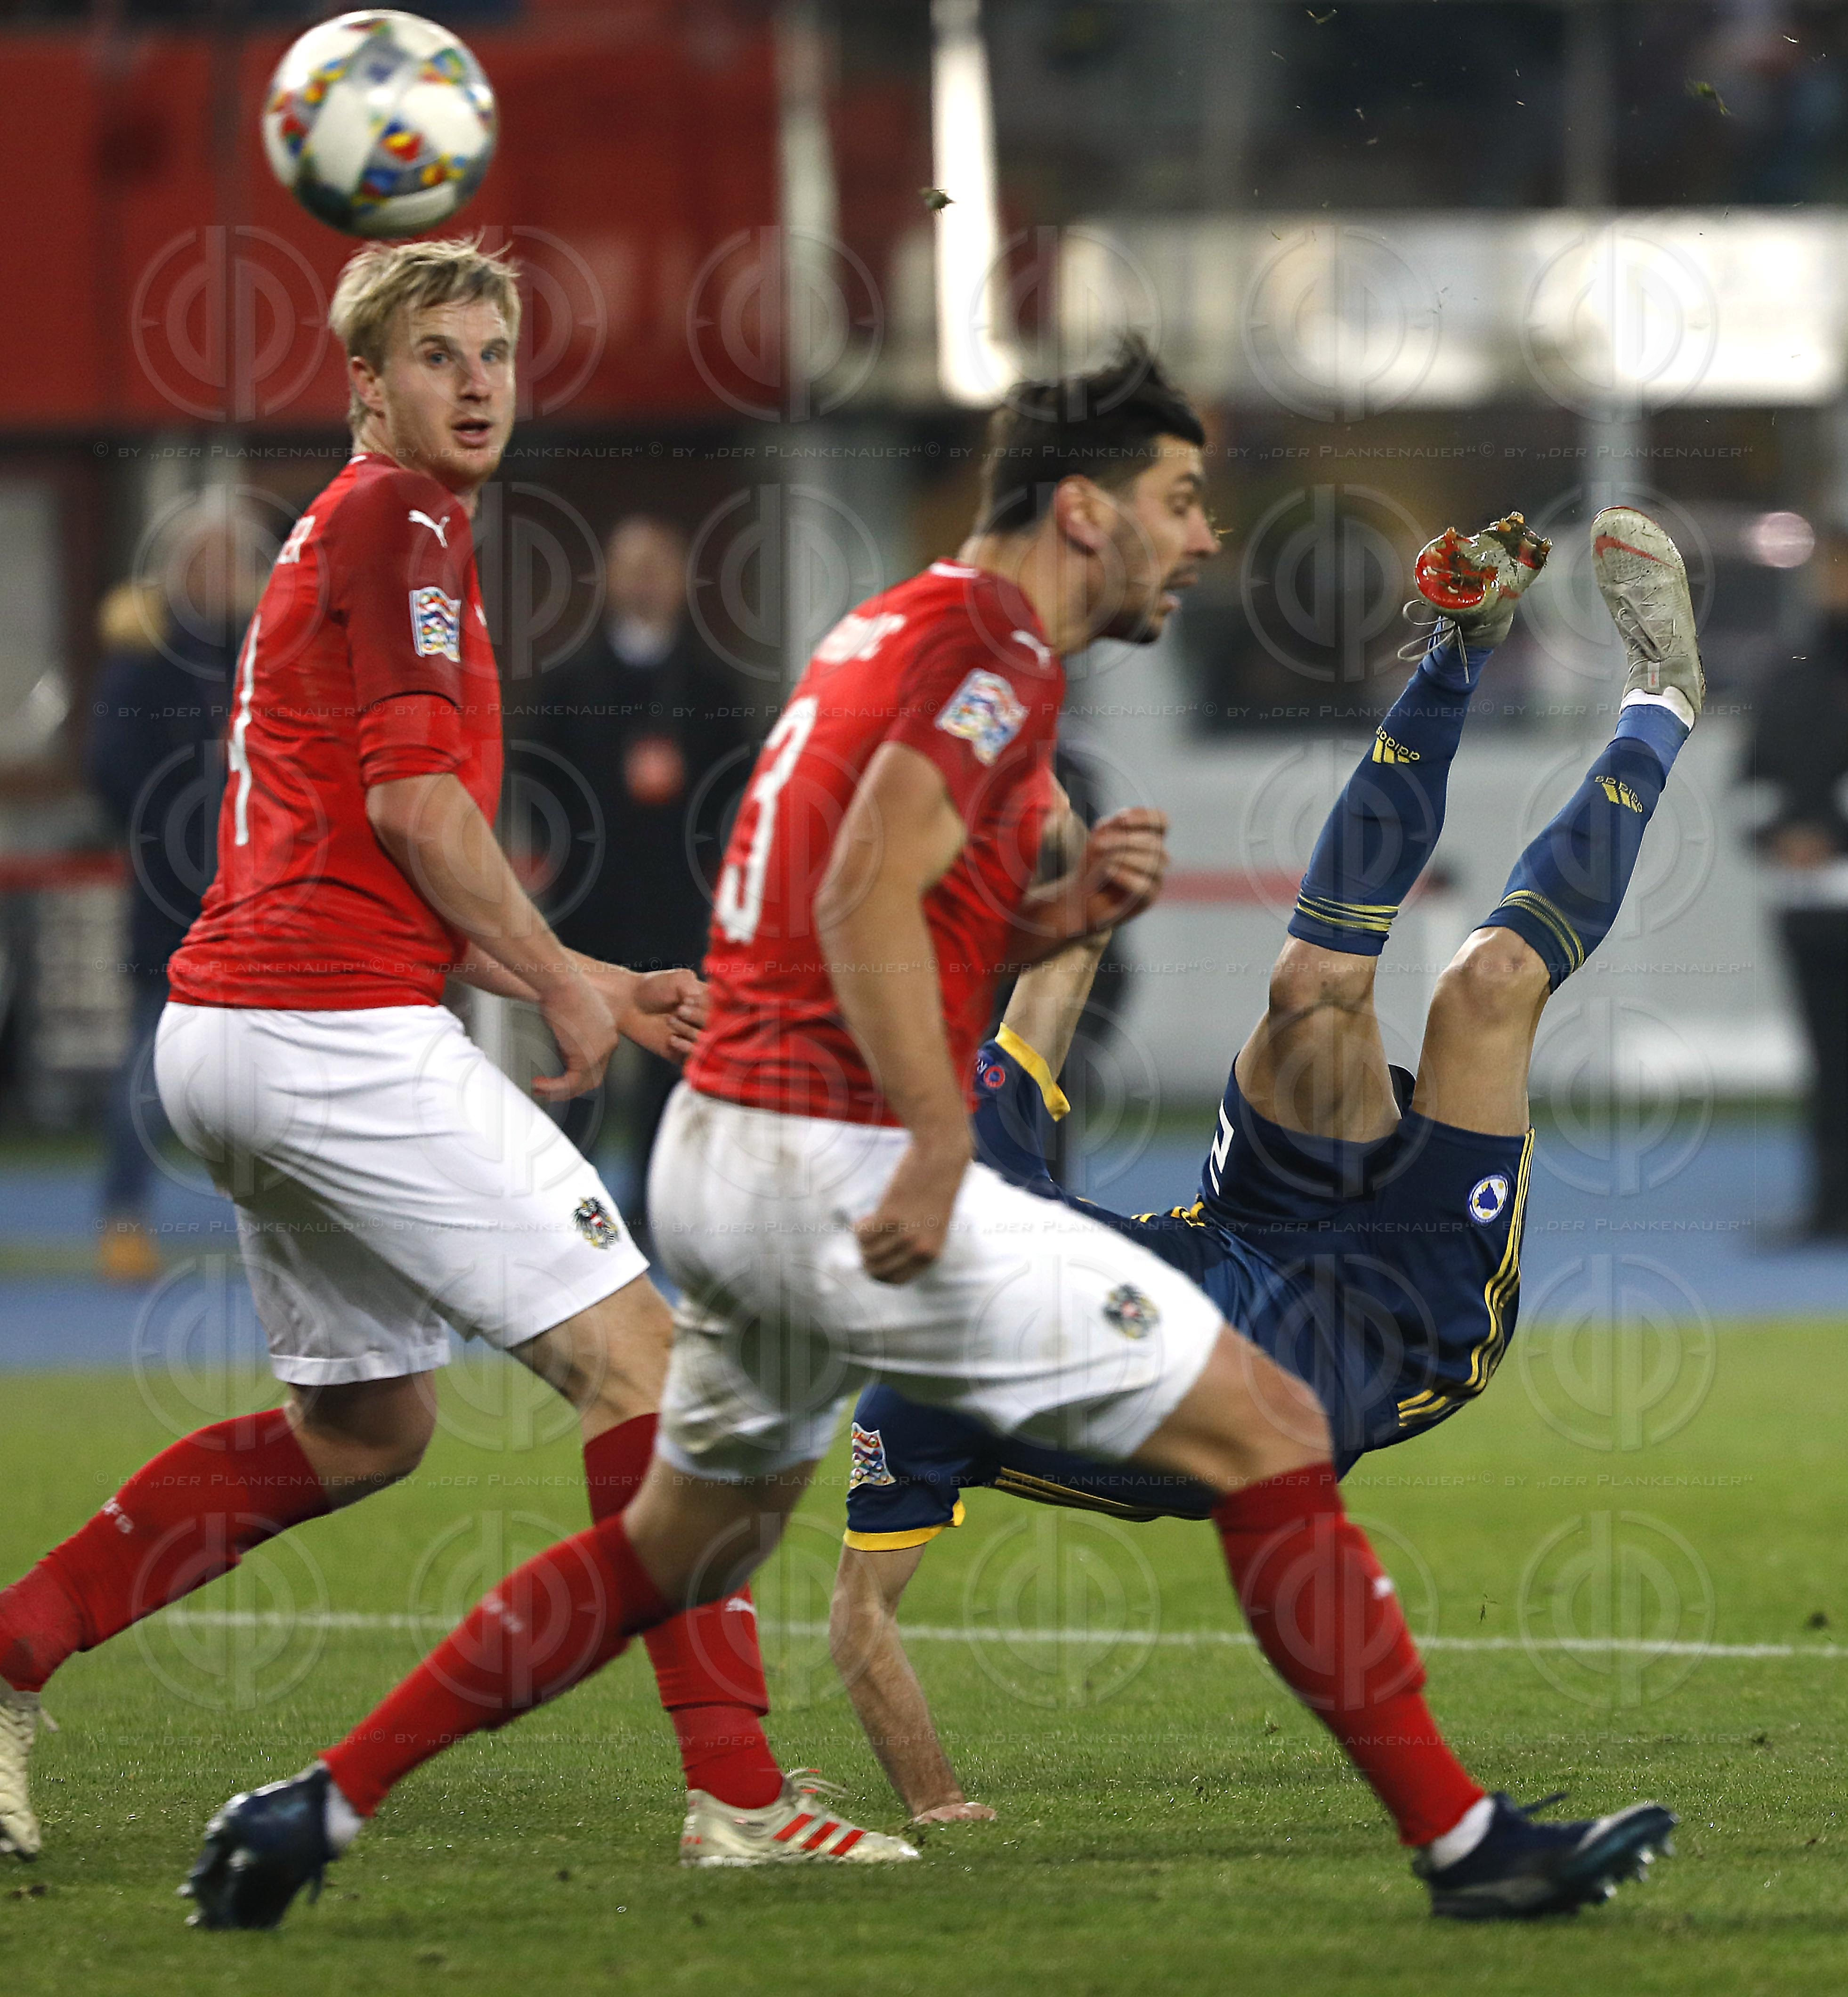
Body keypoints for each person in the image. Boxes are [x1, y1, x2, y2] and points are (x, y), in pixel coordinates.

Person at [182, 346, 1675, 1928]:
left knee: (670, 1548)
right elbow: (859, 895)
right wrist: (934, 1144)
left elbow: (873, 899)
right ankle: (1466, 1848)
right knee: (1269, 1434)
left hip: (723, 1156)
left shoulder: (888, 622)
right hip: (834, 1160)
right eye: (1179, 501)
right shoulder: (993, 649)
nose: (1201, 537)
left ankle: (317, 1806)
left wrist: (1052, 914)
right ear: (1086, 510)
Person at [0, 237, 907, 1876]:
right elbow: (422, 810)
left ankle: (9, 1654)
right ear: (367, 386)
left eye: (496, 350)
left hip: (240, 1030)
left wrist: (584, 975)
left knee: (365, 1434)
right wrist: (556, 987)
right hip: (323, 1031)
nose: (478, 379)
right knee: (653, 1370)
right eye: (438, 354)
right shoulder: (400, 519)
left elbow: (385, 840)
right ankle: (741, 1798)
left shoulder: (360, 534)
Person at [827, 511, 1680, 1822]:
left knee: (1310, 989)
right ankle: (1659, 710)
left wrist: (1006, 744)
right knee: (1484, 988)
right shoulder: (918, 1404)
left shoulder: (969, 1137)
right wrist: (936, 1803)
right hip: (1377, 1334)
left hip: (1249, 1224)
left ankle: (1459, 650)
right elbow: (859, 1621)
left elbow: (1062, 946)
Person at [511, 516, 754, 1234]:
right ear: (610, 580)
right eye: (632, 566)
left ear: (680, 581)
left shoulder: (713, 688)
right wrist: (556, 863)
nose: (646, 580)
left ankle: (659, 1210)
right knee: (580, 1054)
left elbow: (738, 792)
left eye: (659, 565)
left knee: (671, 1067)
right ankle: (570, 1210)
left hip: (679, 908)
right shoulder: (569, 684)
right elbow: (536, 783)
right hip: (591, 905)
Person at [85, 506, 251, 1282]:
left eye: (233, 562)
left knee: (290, 1073)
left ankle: (305, 1229)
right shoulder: (144, 659)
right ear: (181, 573)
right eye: (207, 562)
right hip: (168, 910)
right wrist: (171, 839)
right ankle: (125, 1217)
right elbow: (108, 766)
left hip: (262, 907)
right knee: (147, 1072)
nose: (221, 578)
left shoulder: (265, 651)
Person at [1743, 530, 1848, 1238]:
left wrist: (1834, 832)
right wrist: (1782, 834)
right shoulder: (1788, 672)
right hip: (1808, 907)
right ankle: (1830, 1204)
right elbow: (1751, 783)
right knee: (1827, 1060)